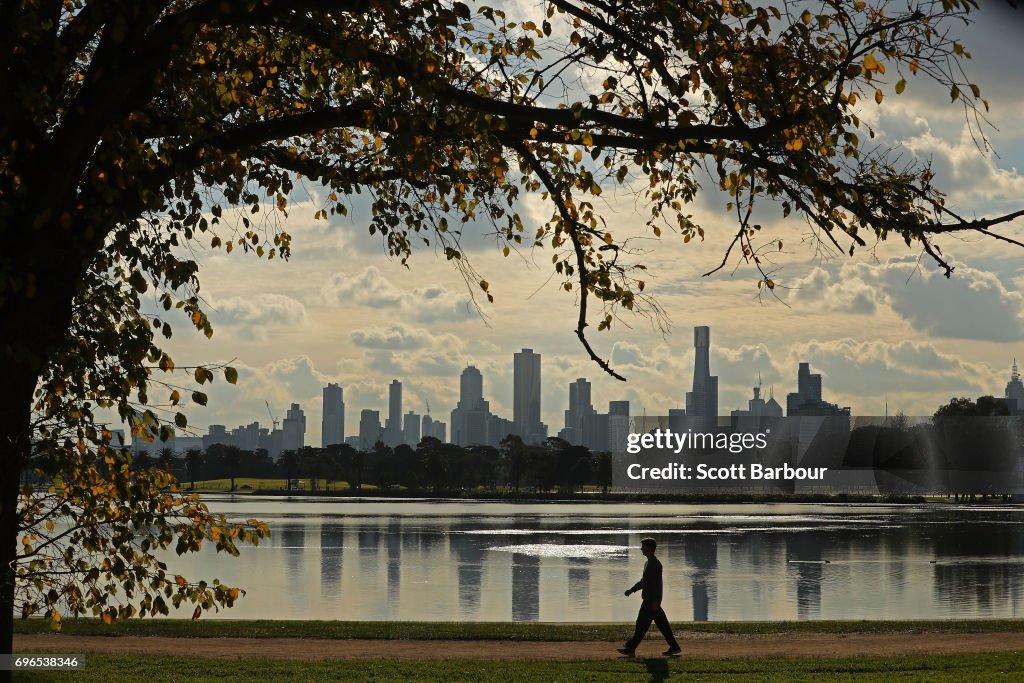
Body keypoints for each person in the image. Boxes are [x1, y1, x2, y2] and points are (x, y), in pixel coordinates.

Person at [617, 537, 681, 657]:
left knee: (641, 626)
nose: (641, 549)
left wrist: (656, 601)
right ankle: (674, 647)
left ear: (650, 548)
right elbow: (644, 582)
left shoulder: (656, 564)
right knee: (662, 626)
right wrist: (632, 590)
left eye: (643, 546)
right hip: (650, 601)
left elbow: (657, 585)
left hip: (650, 602)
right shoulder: (648, 563)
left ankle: (630, 648)